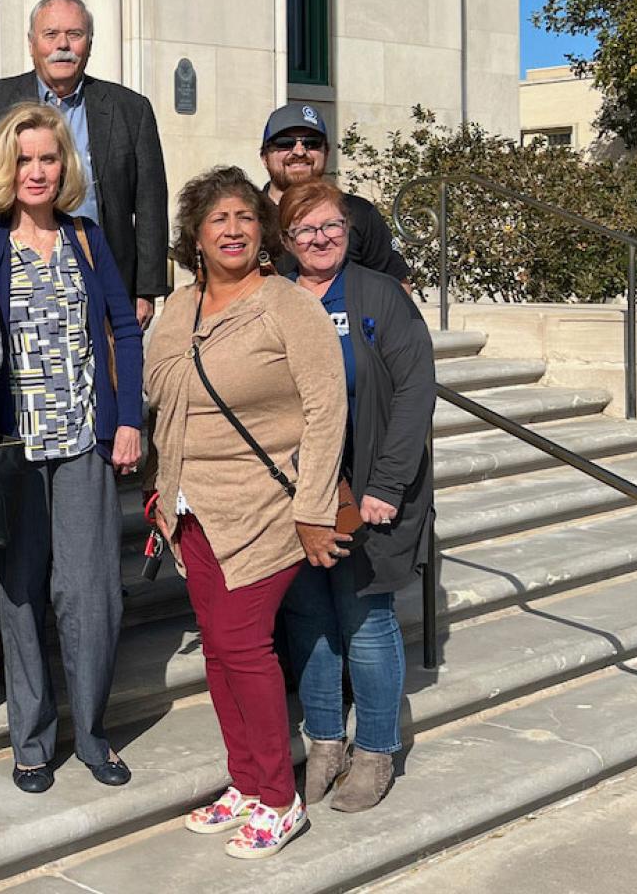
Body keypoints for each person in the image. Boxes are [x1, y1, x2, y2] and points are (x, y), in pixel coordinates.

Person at [144, 166, 347, 859]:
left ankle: (279, 800)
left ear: (262, 232)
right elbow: (165, 401)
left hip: (267, 506)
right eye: (217, 220)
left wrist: (316, 507)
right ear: (194, 238)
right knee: (223, 651)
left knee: (243, 648)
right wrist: (161, 484)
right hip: (192, 509)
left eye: (245, 217)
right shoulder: (178, 308)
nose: (232, 230)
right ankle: (247, 781)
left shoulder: (288, 305)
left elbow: (326, 407)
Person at [0, 102, 143, 793]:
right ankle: (32, 739)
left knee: (91, 594)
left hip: (81, 444)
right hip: (13, 449)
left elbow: (124, 332)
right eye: (23, 160)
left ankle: (93, 733)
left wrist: (127, 417)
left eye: (47, 158)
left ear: (63, 165)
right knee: (20, 599)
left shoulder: (86, 238)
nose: (36, 172)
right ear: (2, 168)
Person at [277, 179, 435, 813]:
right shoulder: (276, 298)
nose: (320, 240)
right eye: (305, 230)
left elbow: (414, 393)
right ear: (286, 240)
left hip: (370, 489)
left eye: (331, 227)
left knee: (365, 621)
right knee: (310, 620)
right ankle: (323, 743)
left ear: (349, 230)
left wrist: (386, 485)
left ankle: (375, 751)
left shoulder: (378, 296)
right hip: (297, 491)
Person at [0, 0, 169, 326]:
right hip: (16, 273)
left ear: (89, 44)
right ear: (32, 43)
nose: (62, 45)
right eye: (50, 35)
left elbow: (150, 202)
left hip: (104, 273)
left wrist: (146, 289)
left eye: (75, 35)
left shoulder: (130, 109)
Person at [258, 102, 412, 287]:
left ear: (326, 152)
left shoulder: (360, 213)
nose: (299, 151)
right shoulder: (249, 218)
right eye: (285, 143)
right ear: (264, 157)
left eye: (312, 143)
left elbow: (398, 287)